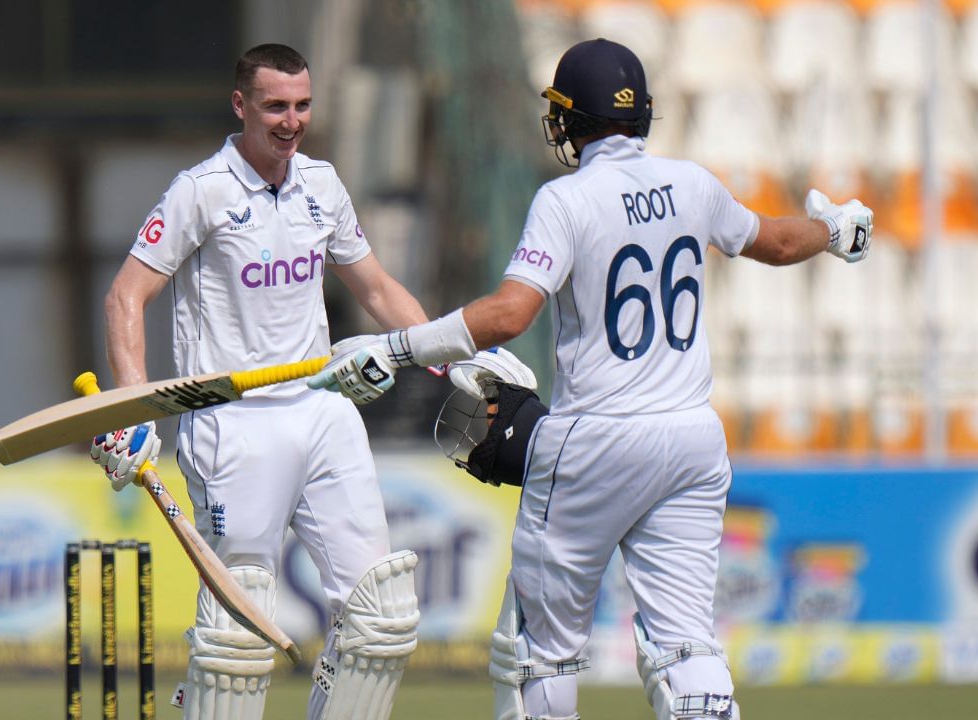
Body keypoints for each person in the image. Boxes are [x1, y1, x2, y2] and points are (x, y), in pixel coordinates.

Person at [309, 39, 873, 720]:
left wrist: (397, 348)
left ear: (572, 122)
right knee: (686, 647)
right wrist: (835, 228)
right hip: (693, 442)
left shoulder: (567, 199)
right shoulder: (693, 184)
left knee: (536, 654)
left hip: (598, 440)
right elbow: (780, 244)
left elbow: (512, 313)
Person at [91, 43, 437, 720]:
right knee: (235, 638)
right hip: (232, 421)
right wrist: (133, 407)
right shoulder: (202, 190)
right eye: (276, 106)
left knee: (381, 621)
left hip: (321, 410)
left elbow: (377, 289)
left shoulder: (322, 185)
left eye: (303, 105)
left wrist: (454, 355)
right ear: (241, 104)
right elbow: (125, 297)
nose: (291, 120)